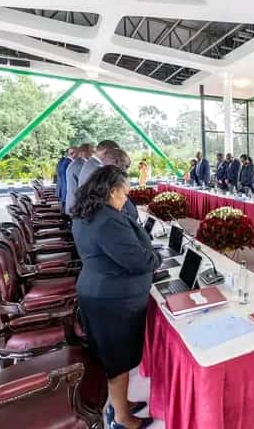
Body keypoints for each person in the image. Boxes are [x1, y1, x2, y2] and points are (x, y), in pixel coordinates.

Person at [71, 166, 161, 429]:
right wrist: (155, 258)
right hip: (112, 299)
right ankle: (122, 417)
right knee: (117, 360)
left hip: (100, 291)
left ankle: (122, 403)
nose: (126, 199)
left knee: (114, 357)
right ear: (111, 191)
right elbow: (139, 260)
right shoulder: (108, 220)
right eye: (124, 194)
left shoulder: (87, 212)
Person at [102, 148, 138, 223]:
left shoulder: (97, 178)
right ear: (116, 162)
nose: (126, 171)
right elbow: (131, 215)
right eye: (126, 166)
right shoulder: (112, 182)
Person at [65, 143, 93, 215]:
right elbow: (84, 185)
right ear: (84, 152)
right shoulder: (81, 164)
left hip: (72, 201)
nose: (92, 154)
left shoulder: (76, 162)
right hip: (75, 204)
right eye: (91, 152)